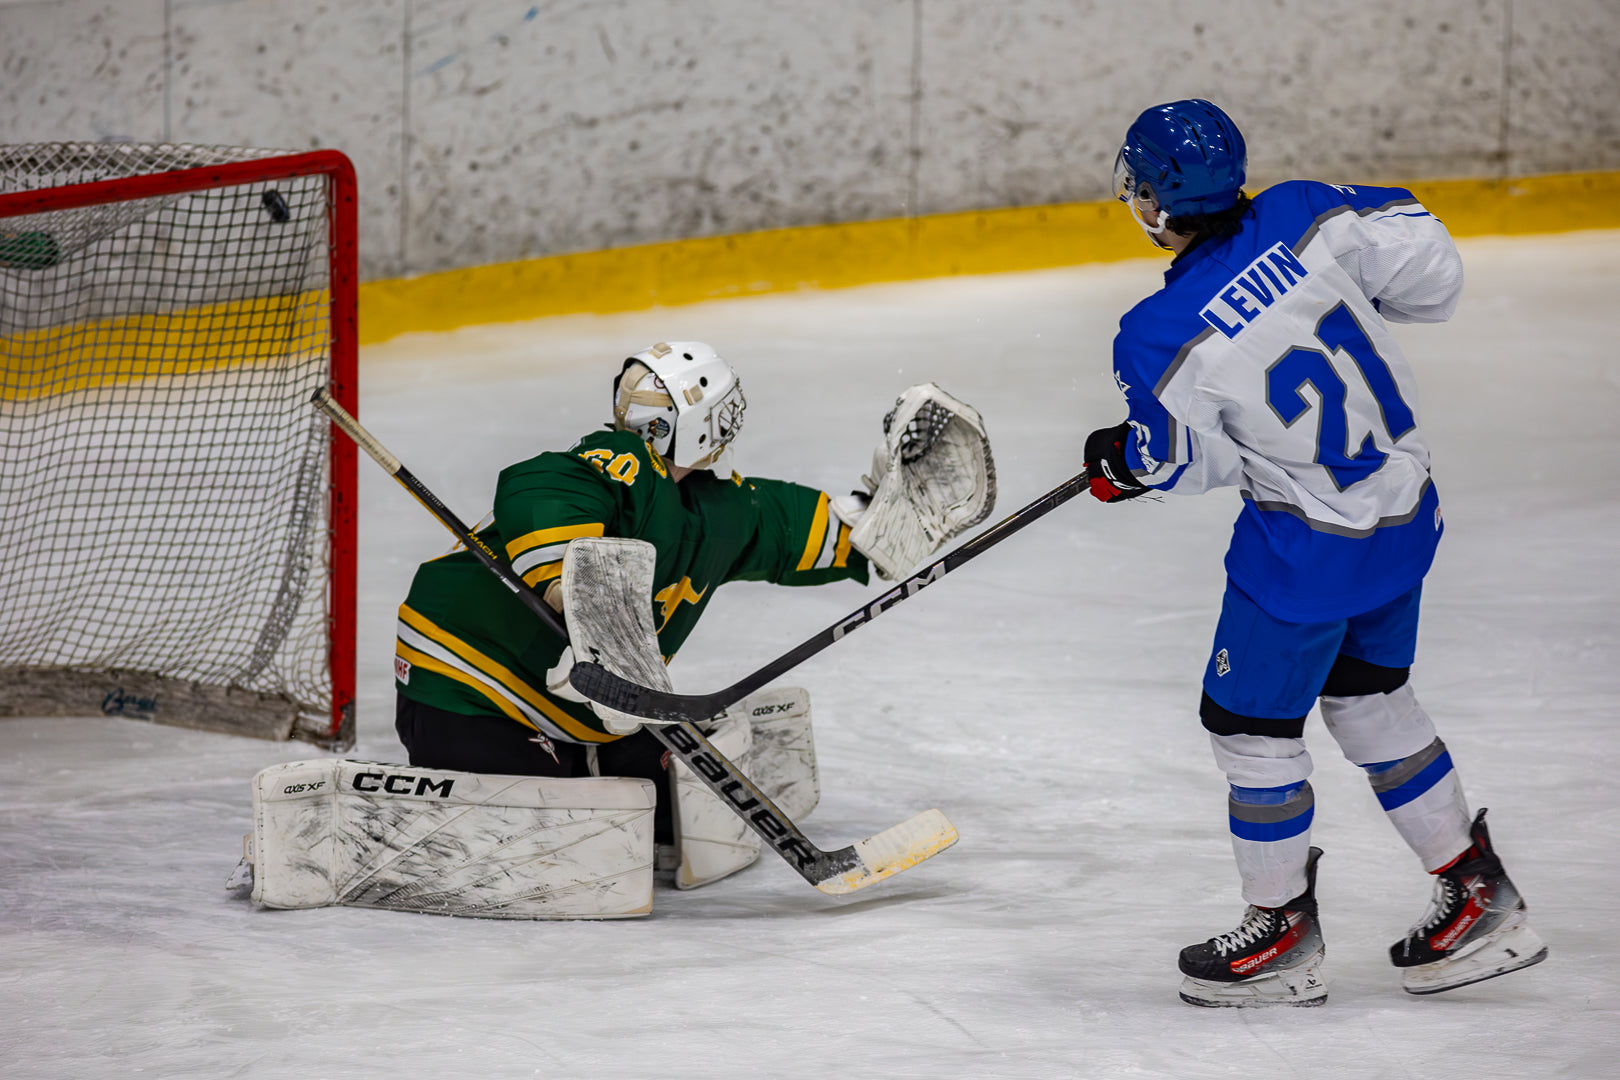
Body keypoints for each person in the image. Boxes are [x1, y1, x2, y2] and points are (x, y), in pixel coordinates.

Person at [1084, 100, 1547, 1006]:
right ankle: (1478, 892)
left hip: (1303, 557)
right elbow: (1432, 271)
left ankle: (1281, 935)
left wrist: (1123, 459)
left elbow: (1179, 463)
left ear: (1155, 201)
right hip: (1403, 514)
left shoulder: (1158, 331)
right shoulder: (1306, 211)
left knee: (1248, 728)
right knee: (1371, 700)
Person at [392, 340, 992, 867]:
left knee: (665, 807)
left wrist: (877, 520)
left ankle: (586, 768)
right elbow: (541, 488)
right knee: (560, 833)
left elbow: (784, 527)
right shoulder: (606, 464)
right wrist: (572, 594)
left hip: (583, 709)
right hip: (463, 681)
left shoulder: (717, 511)